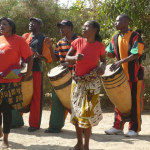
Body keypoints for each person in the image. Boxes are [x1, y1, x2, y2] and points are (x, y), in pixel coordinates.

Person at [65, 20, 106, 150]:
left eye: (87, 26)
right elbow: (67, 57)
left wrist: (102, 67)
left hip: (92, 84)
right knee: (76, 113)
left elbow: (103, 61)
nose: (84, 27)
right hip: (77, 82)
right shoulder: (77, 42)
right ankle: (79, 143)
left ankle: (86, 145)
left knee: (87, 114)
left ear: (95, 30)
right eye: (83, 25)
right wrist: (75, 58)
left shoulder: (100, 46)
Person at [105, 14, 145, 137]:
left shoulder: (135, 36)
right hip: (120, 77)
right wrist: (106, 52)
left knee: (135, 103)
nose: (115, 23)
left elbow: (136, 54)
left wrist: (120, 62)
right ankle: (118, 126)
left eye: (118, 21)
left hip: (135, 76)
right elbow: (110, 53)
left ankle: (134, 128)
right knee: (119, 101)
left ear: (126, 22)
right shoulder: (115, 37)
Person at [0, 17, 33, 148]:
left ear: (11, 26)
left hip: (10, 81)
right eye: (0, 24)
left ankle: (5, 139)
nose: (1, 26)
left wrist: (28, 73)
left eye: (4, 24)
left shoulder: (19, 40)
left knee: (6, 110)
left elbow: (29, 58)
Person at [44, 19, 78, 133]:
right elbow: (55, 60)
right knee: (57, 100)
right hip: (62, 78)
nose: (61, 30)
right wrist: (49, 47)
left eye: (63, 27)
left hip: (76, 76)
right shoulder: (60, 42)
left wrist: (67, 63)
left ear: (69, 28)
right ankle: (54, 127)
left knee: (77, 101)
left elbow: (81, 58)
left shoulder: (79, 41)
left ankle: (82, 128)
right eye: (60, 28)